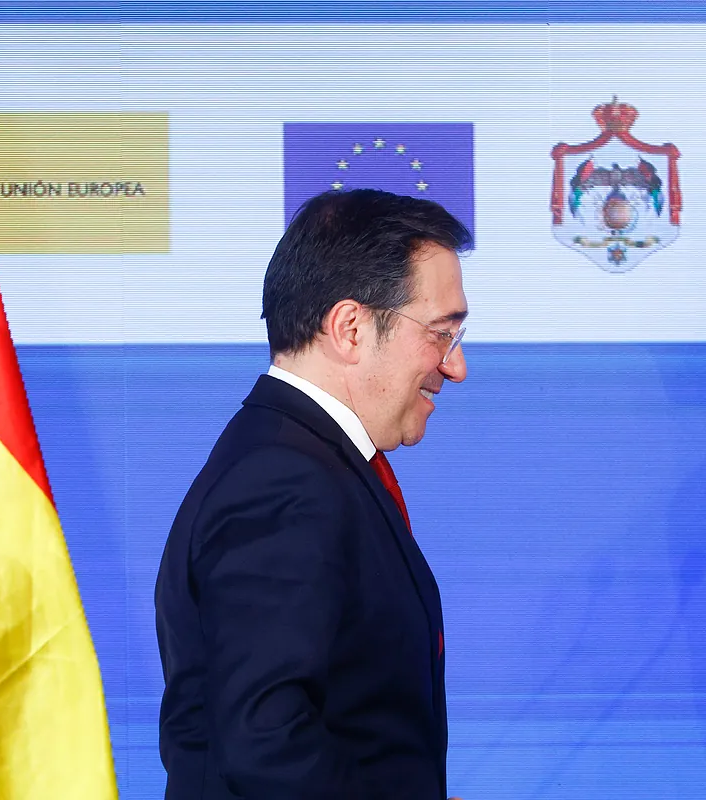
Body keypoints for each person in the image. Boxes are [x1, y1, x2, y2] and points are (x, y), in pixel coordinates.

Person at [154, 188, 472, 799]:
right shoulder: (282, 478)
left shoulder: (303, 460)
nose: (455, 367)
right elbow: (266, 740)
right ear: (350, 328)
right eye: (441, 334)